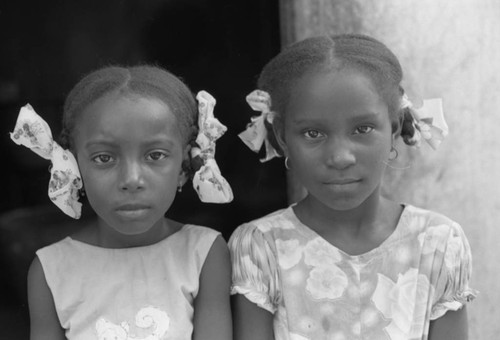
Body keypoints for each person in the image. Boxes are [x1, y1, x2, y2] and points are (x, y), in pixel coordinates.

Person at [230, 34, 476, 340]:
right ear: (282, 137)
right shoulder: (260, 247)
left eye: (363, 129)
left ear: (395, 127)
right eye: (312, 133)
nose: (340, 157)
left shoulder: (438, 243)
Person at [10, 65, 233, 340]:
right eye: (104, 158)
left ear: (186, 164)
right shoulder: (51, 270)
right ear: (72, 164)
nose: (131, 179)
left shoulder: (203, 253)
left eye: (155, 155)